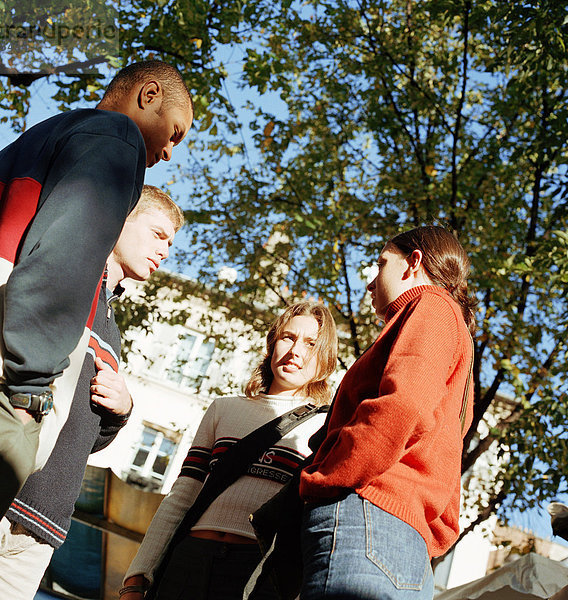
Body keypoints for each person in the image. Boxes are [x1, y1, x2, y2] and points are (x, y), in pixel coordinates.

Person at [0, 60, 194, 570]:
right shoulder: (116, 140)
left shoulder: (46, 136)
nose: (168, 152)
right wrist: (31, 389)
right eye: (174, 132)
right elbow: (59, 263)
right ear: (148, 94)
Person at [0, 185, 184, 599]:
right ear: (122, 220)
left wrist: (122, 410)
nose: (165, 252)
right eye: (158, 234)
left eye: (171, 243)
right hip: (0, 489)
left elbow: (88, 438)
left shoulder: (112, 331)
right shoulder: (66, 277)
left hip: (43, 524)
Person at [299, 225, 476, 600]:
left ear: (414, 263)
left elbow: (403, 404)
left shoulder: (432, 305)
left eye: (381, 264)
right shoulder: (455, 331)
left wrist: (327, 477)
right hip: (404, 539)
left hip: (367, 515)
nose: (370, 282)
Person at [120, 301, 339, 600]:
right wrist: (137, 577)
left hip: (256, 575)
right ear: (272, 343)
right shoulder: (223, 409)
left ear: (325, 359)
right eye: (288, 337)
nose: (296, 351)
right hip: (188, 561)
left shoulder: (327, 428)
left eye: (311, 343)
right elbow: (183, 493)